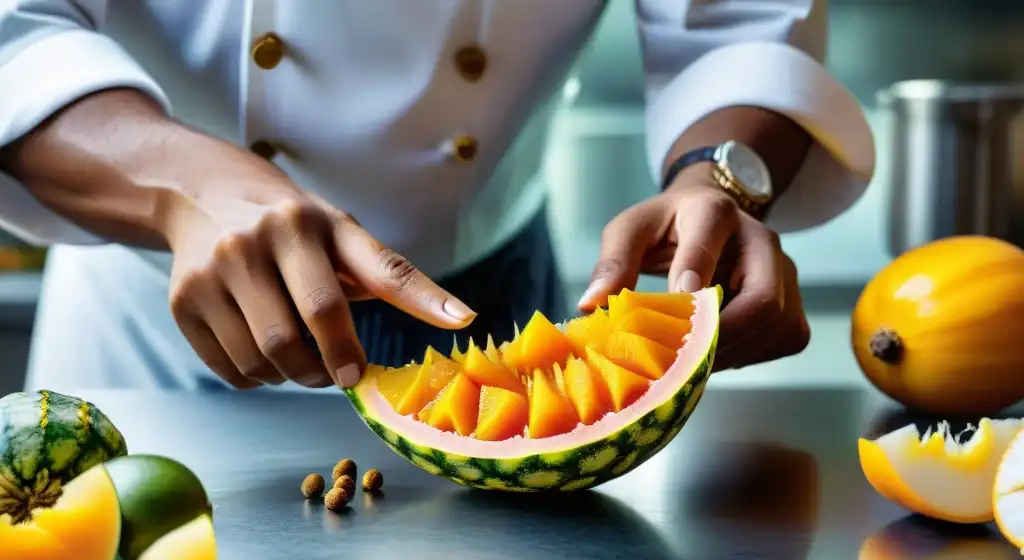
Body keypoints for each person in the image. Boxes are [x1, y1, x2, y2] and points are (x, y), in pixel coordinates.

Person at [0, 1, 874, 394]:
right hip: (158, 335)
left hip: (502, 315)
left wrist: (717, 179)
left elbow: (737, 20)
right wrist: (188, 188)